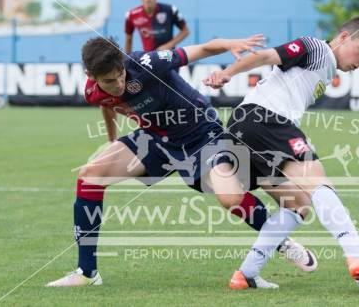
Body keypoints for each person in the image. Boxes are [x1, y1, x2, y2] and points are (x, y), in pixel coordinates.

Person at [45, 34, 316, 287]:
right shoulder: (93, 91)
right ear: (90, 76)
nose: (118, 85)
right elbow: (108, 105)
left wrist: (232, 44)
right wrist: (112, 141)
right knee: (90, 175)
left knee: (231, 198)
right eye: (109, 82)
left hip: (202, 133)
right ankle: (87, 272)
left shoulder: (146, 63)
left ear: (123, 63)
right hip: (157, 139)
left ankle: (282, 242)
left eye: (120, 76)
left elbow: (202, 49)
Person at [203, 16, 359, 289]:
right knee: (318, 182)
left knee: (297, 203)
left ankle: (246, 274)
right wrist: (229, 72)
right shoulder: (316, 48)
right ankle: (356, 254)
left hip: (247, 127)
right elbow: (267, 56)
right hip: (265, 119)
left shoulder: (324, 55)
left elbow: (347, 40)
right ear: (344, 38)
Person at [125, 0, 189, 53]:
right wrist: (127, 60)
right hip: (149, 58)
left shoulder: (170, 10)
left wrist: (168, 45)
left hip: (169, 56)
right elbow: (128, 40)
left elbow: (186, 31)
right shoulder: (131, 15)